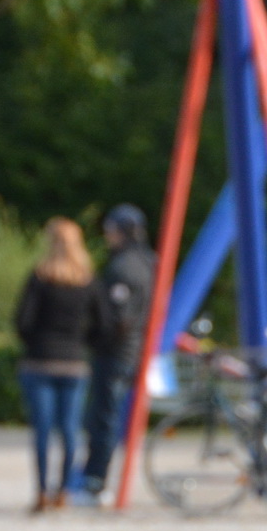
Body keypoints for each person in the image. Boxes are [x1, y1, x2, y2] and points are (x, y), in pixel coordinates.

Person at [14, 217, 97, 512]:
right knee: (70, 430)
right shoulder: (87, 280)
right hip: (74, 363)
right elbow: (102, 324)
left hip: (40, 361)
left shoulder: (39, 278)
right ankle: (63, 491)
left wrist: (34, 343)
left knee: (42, 431)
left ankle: (40, 491)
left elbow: (22, 321)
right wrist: (83, 343)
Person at [79, 203, 155, 503]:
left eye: (110, 230)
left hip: (116, 353)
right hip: (138, 351)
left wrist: (94, 335)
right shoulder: (151, 262)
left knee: (103, 418)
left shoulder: (122, 267)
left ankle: (96, 482)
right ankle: (98, 479)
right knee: (109, 417)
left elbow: (119, 320)